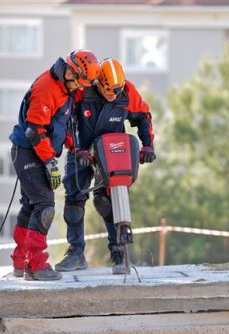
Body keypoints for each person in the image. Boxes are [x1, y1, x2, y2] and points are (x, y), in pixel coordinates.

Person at [55, 57, 156, 275]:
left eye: (117, 92)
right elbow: (66, 120)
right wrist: (76, 147)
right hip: (81, 152)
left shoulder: (127, 92)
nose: (114, 96)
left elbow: (143, 116)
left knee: (109, 200)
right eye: (110, 91)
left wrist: (148, 145)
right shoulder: (83, 92)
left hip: (111, 150)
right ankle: (75, 253)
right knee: (74, 200)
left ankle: (119, 251)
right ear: (99, 83)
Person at [8, 49, 101, 281]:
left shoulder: (65, 89)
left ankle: (21, 262)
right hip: (29, 152)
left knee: (31, 206)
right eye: (80, 82)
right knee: (45, 207)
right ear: (71, 73)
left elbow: (61, 126)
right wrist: (50, 162)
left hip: (39, 152)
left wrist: (76, 148)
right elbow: (35, 131)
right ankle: (36, 266)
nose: (81, 88)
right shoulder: (47, 88)